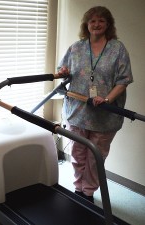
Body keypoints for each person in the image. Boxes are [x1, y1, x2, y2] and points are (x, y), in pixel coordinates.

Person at [57, 6, 133, 203]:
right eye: (92, 21)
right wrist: (64, 70)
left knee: (95, 157)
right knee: (78, 153)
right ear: (87, 24)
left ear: (108, 24)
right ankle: (77, 188)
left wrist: (107, 98)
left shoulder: (117, 48)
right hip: (78, 110)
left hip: (104, 114)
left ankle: (88, 192)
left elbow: (123, 80)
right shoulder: (76, 47)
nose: (96, 24)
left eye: (101, 21)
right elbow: (62, 69)